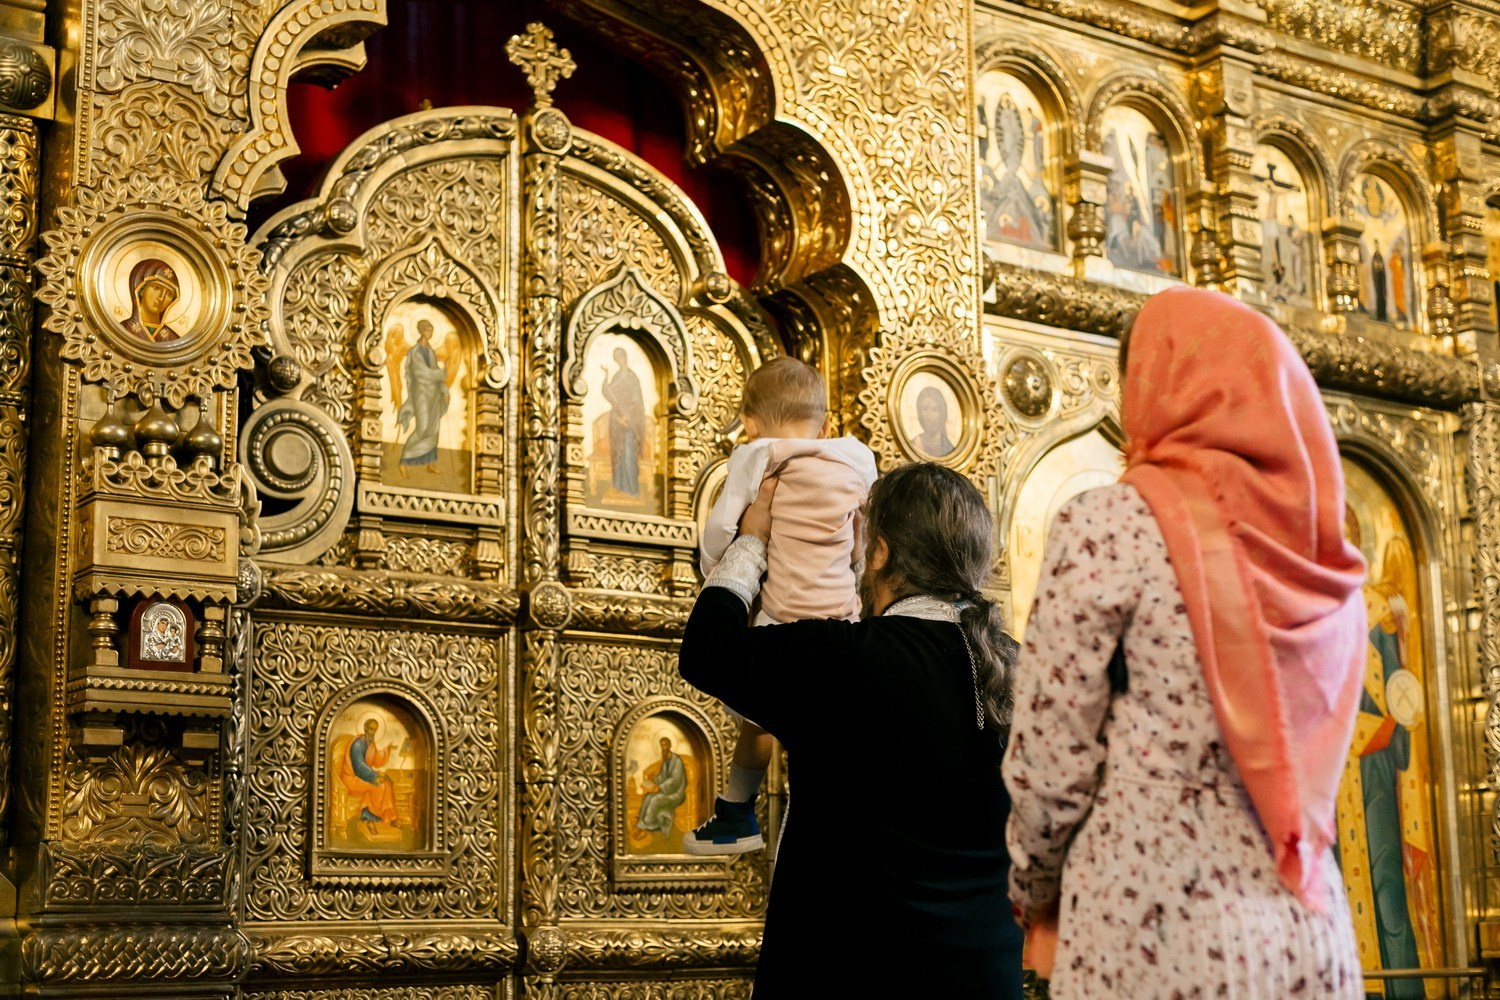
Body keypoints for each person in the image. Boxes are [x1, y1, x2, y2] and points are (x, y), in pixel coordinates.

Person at [1003, 286, 1367, 996]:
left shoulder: (1112, 523)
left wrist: (1032, 884)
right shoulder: (1325, 555)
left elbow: (1051, 755)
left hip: (1153, 919)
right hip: (1306, 921)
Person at [679, 462, 1024, 996]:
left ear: (881, 551)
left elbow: (706, 651)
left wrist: (751, 542)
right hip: (985, 981)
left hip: (847, 975)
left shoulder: (842, 659)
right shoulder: (1029, 672)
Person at [687, 356, 877, 854]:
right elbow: (861, 535)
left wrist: (716, 567)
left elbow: (722, 528)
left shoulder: (758, 456)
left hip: (780, 619)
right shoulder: (857, 459)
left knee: (759, 717)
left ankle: (737, 812)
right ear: (828, 424)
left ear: (748, 423)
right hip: (843, 616)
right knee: (829, 730)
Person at [397, 319, 451, 472]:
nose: (430, 333)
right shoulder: (415, 352)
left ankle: (431, 463)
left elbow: (434, 373)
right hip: (420, 394)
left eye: (432, 330)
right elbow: (420, 373)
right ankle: (404, 459)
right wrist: (441, 373)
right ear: (421, 331)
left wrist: (445, 391)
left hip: (433, 395)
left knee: (433, 428)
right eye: (428, 330)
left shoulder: (430, 352)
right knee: (423, 427)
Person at [338, 718, 402, 836]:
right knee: (378, 786)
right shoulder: (357, 744)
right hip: (352, 778)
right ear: (366, 728)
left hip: (363, 776)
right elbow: (359, 767)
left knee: (387, 782)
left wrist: (386, 750)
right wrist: (375, 775)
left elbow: (375, 759)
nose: (373, 732)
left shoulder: (369, 743)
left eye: (375, 730)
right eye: (371, 729)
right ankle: (369, 819)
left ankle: (391, 818)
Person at [602, 346, 646, 496]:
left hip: (630, 422)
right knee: (618, 452)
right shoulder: (617, 376)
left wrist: (627, 417)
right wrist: (606, 378)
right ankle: (619, 486)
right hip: (617, 420)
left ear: (624, 358)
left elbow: (637, 401)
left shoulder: (632, 377)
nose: (618, 361)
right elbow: (610, 393)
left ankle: (632, 489)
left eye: (619, 358)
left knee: (628, 453)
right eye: (616, 359)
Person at [635, 736, 688, 835]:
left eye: (665, 745)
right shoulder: (666, 759)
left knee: (655, 799)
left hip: (677, 793)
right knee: (647, 797)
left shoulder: (676, 761)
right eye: (661, 745)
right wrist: (653, 779)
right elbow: (663, 777)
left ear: (670, 745)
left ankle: (646, 827)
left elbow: (675, 781)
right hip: (667, 790)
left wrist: (660, 787)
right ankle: (641, 825)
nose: (663, 747)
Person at [122, 258, 182, 343]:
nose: (161, 298)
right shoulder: (122, 330)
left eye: (169, 294)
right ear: (141, 290)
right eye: (156, 287)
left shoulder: (174, 340)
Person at [908, 384, 954, 458]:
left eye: (934, 409)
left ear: (942, 413)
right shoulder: (914, 444)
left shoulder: (949, 447)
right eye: (925, 408)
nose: (929, 415)